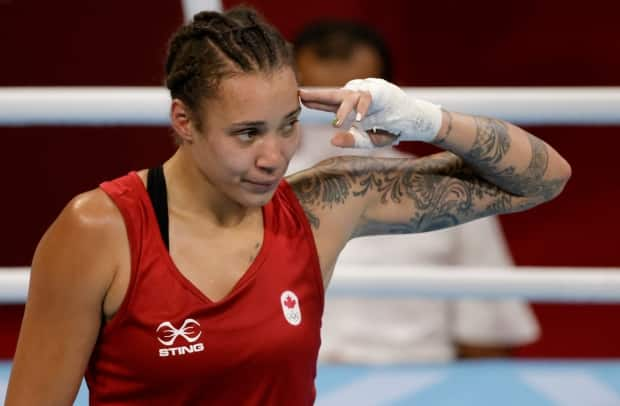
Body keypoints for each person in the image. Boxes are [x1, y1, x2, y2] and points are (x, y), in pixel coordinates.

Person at [5, 6, 571, 405]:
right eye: (248, 133)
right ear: (184, 121)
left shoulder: (322, 205)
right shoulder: (101, 229)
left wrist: (424, 120)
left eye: (289, 126)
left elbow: (542, 179)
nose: (274, 157)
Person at [290, 20, 541, 363]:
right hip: (296, 386)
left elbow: (486, 337)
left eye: (355, 104)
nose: (340, 120)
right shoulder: (256, 192)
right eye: (319, 103)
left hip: (421, 381)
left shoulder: (447, 184)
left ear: (394, 98)